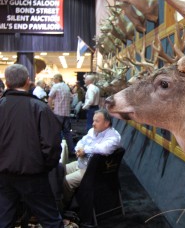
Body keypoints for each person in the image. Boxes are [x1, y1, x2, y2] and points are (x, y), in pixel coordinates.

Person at [0, 64, 64, 227]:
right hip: (33, 175)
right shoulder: (40, 108)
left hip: (4, 174)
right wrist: (44, 167)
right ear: (28, 81)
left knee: (4, 219)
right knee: (50, 219)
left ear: (6, 83)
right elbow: (52, 145)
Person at [63, 108, 121, 207]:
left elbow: (104, 149)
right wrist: (79, 149)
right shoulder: (93, 131)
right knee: (57, 170)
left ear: (106, 123)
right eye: (93, 120)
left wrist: (85, 150)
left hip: (93, 171)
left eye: (97, 121)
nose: (93, 123)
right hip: (81, 163)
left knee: (66, 181)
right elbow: (81, 142)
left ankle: (64, 206)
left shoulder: (114, 136)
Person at [48, 73, 75, 157]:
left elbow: (50, 98)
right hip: (66, 113)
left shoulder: (56, 86)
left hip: (58, 112)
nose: (53, 80)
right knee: (67, 132)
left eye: (53, 78)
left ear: (57, 79)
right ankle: (72, 151)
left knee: (56, 132)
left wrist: (50, 109)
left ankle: (57, 152)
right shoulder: (66, 87)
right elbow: (71, 98)